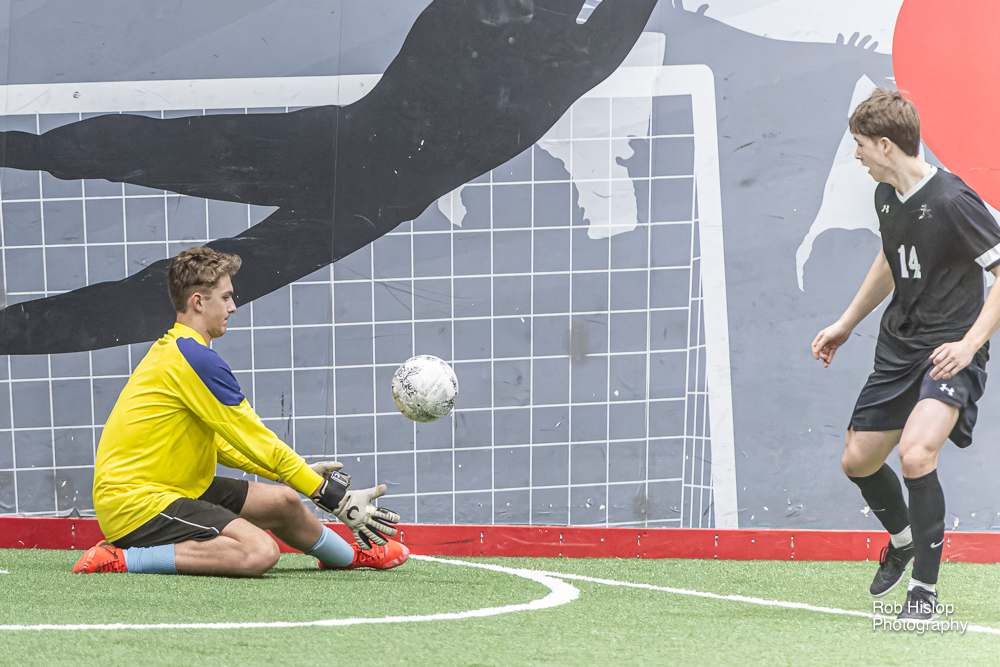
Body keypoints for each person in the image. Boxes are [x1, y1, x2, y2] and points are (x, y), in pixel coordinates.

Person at [0, 0, 658, 356]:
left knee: (155, 180)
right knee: (148, 159)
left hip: (349, 178)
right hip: (351, 174)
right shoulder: (564, 48)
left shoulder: (565, 49)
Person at [73, 246, 407, 576]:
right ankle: (123, 559)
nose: (233, 306)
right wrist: (334, 498)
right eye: (226, 297)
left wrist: (293, 475)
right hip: (135, 504)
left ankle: (348, 557)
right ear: (198, 302)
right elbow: (254, 438)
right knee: (258, 552)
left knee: (285, 502)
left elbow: (225, 444)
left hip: (176, 487)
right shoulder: (194, 359)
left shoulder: (181, 351)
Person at [812, 88, 1000, 620]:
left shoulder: (953, 200)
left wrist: (969, 345)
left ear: (886, 145)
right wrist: (846, 323)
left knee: (916, 454)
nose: (857, 155)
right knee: (858, 460)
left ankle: (924, 594)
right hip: (899, 346)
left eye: (860, 144)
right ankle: (903, 541)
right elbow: (892, 257)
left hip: (949, 351)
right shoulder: (886, 196)